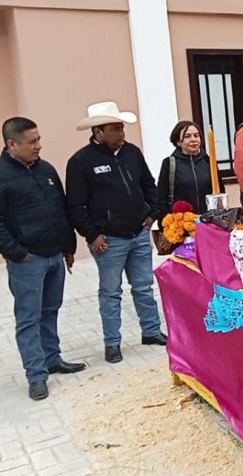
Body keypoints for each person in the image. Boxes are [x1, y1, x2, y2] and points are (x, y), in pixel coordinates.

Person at [0, 118, 86, 401]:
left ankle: (53, 359)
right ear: (11, 144)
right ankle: (36, 375)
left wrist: (68, 246)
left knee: (51, 309)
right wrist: (17, 252)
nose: (38, 146)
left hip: (55, 255)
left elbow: (62, 210)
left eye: (39, 139)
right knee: (29, 318)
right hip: (27, 261)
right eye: (32, 142)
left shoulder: (46, 170)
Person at [66, 101, 167, 365]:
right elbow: (76, 205)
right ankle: (112, 343)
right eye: (115, 128)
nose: (121, 132)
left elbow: (149, 184)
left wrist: (152, 213)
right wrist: (92, 235)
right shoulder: (80, 162)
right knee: (111, 293)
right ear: (98, 132)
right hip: (108, 240)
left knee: (144, 287)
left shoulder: (132, 153)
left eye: (122, 127)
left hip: (139, 233)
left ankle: (152, 331)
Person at [155, 120, 222, 217]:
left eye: (196, 135)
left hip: (207, 220)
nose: (193, 139)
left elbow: (219, 190)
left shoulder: (208, 161)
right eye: (187, 136)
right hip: (181, 222)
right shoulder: (169, 164)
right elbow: (162, 197)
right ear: (178, 141)